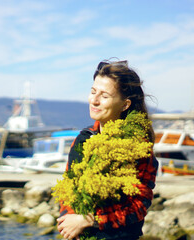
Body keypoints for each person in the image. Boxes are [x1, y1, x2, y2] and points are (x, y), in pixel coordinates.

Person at [56, 59, 158, 240]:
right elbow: (68, 187)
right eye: (93, 92)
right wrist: (69, 218)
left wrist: (89, 220)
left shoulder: (137, 147)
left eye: (104, 96)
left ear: (125, 104)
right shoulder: (82, 139)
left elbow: (138, 206)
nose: (94, 100)